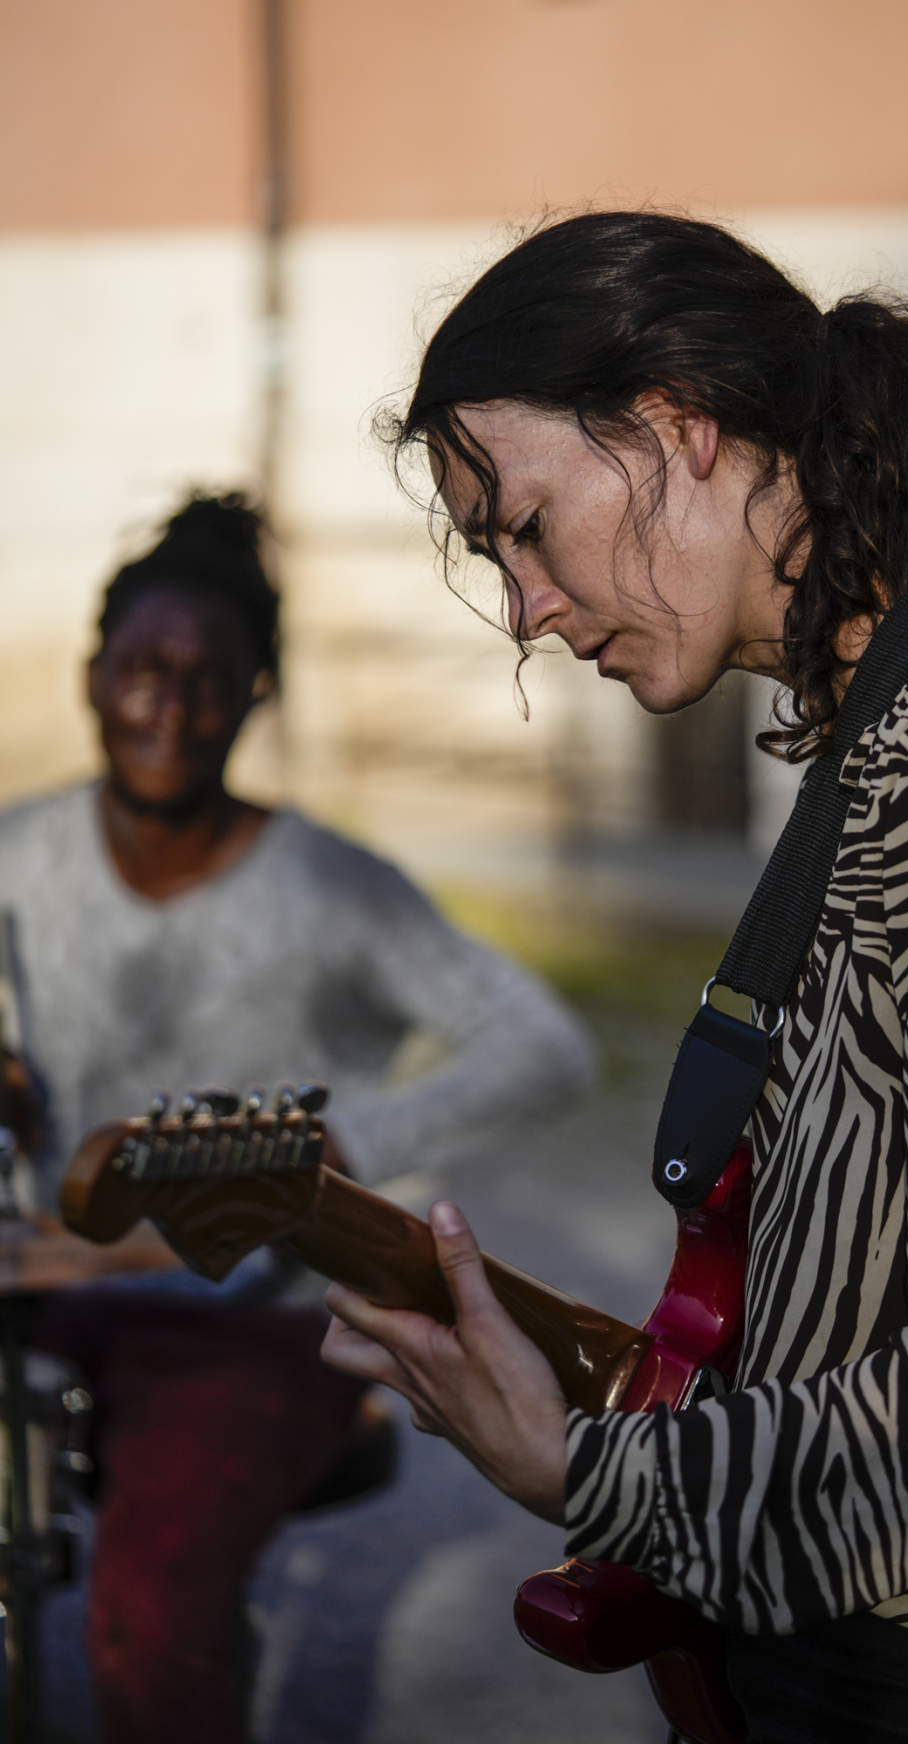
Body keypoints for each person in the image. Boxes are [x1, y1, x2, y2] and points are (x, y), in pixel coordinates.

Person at [321, 211, 908, 1743]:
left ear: (678, 424)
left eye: (525, 523)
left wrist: (592, 1477)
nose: (524, 605)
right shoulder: (894, 725)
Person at [1, 492, 593, 1744]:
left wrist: (352, 1145)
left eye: (209, 678)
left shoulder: (333, 886)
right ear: (89, 675)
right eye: (141, 670)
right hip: (46, 1288)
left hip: (259, 1326)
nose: (169, 703)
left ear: (257, 693)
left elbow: (544, 1039)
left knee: (148, 1612)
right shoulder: (18, 855)